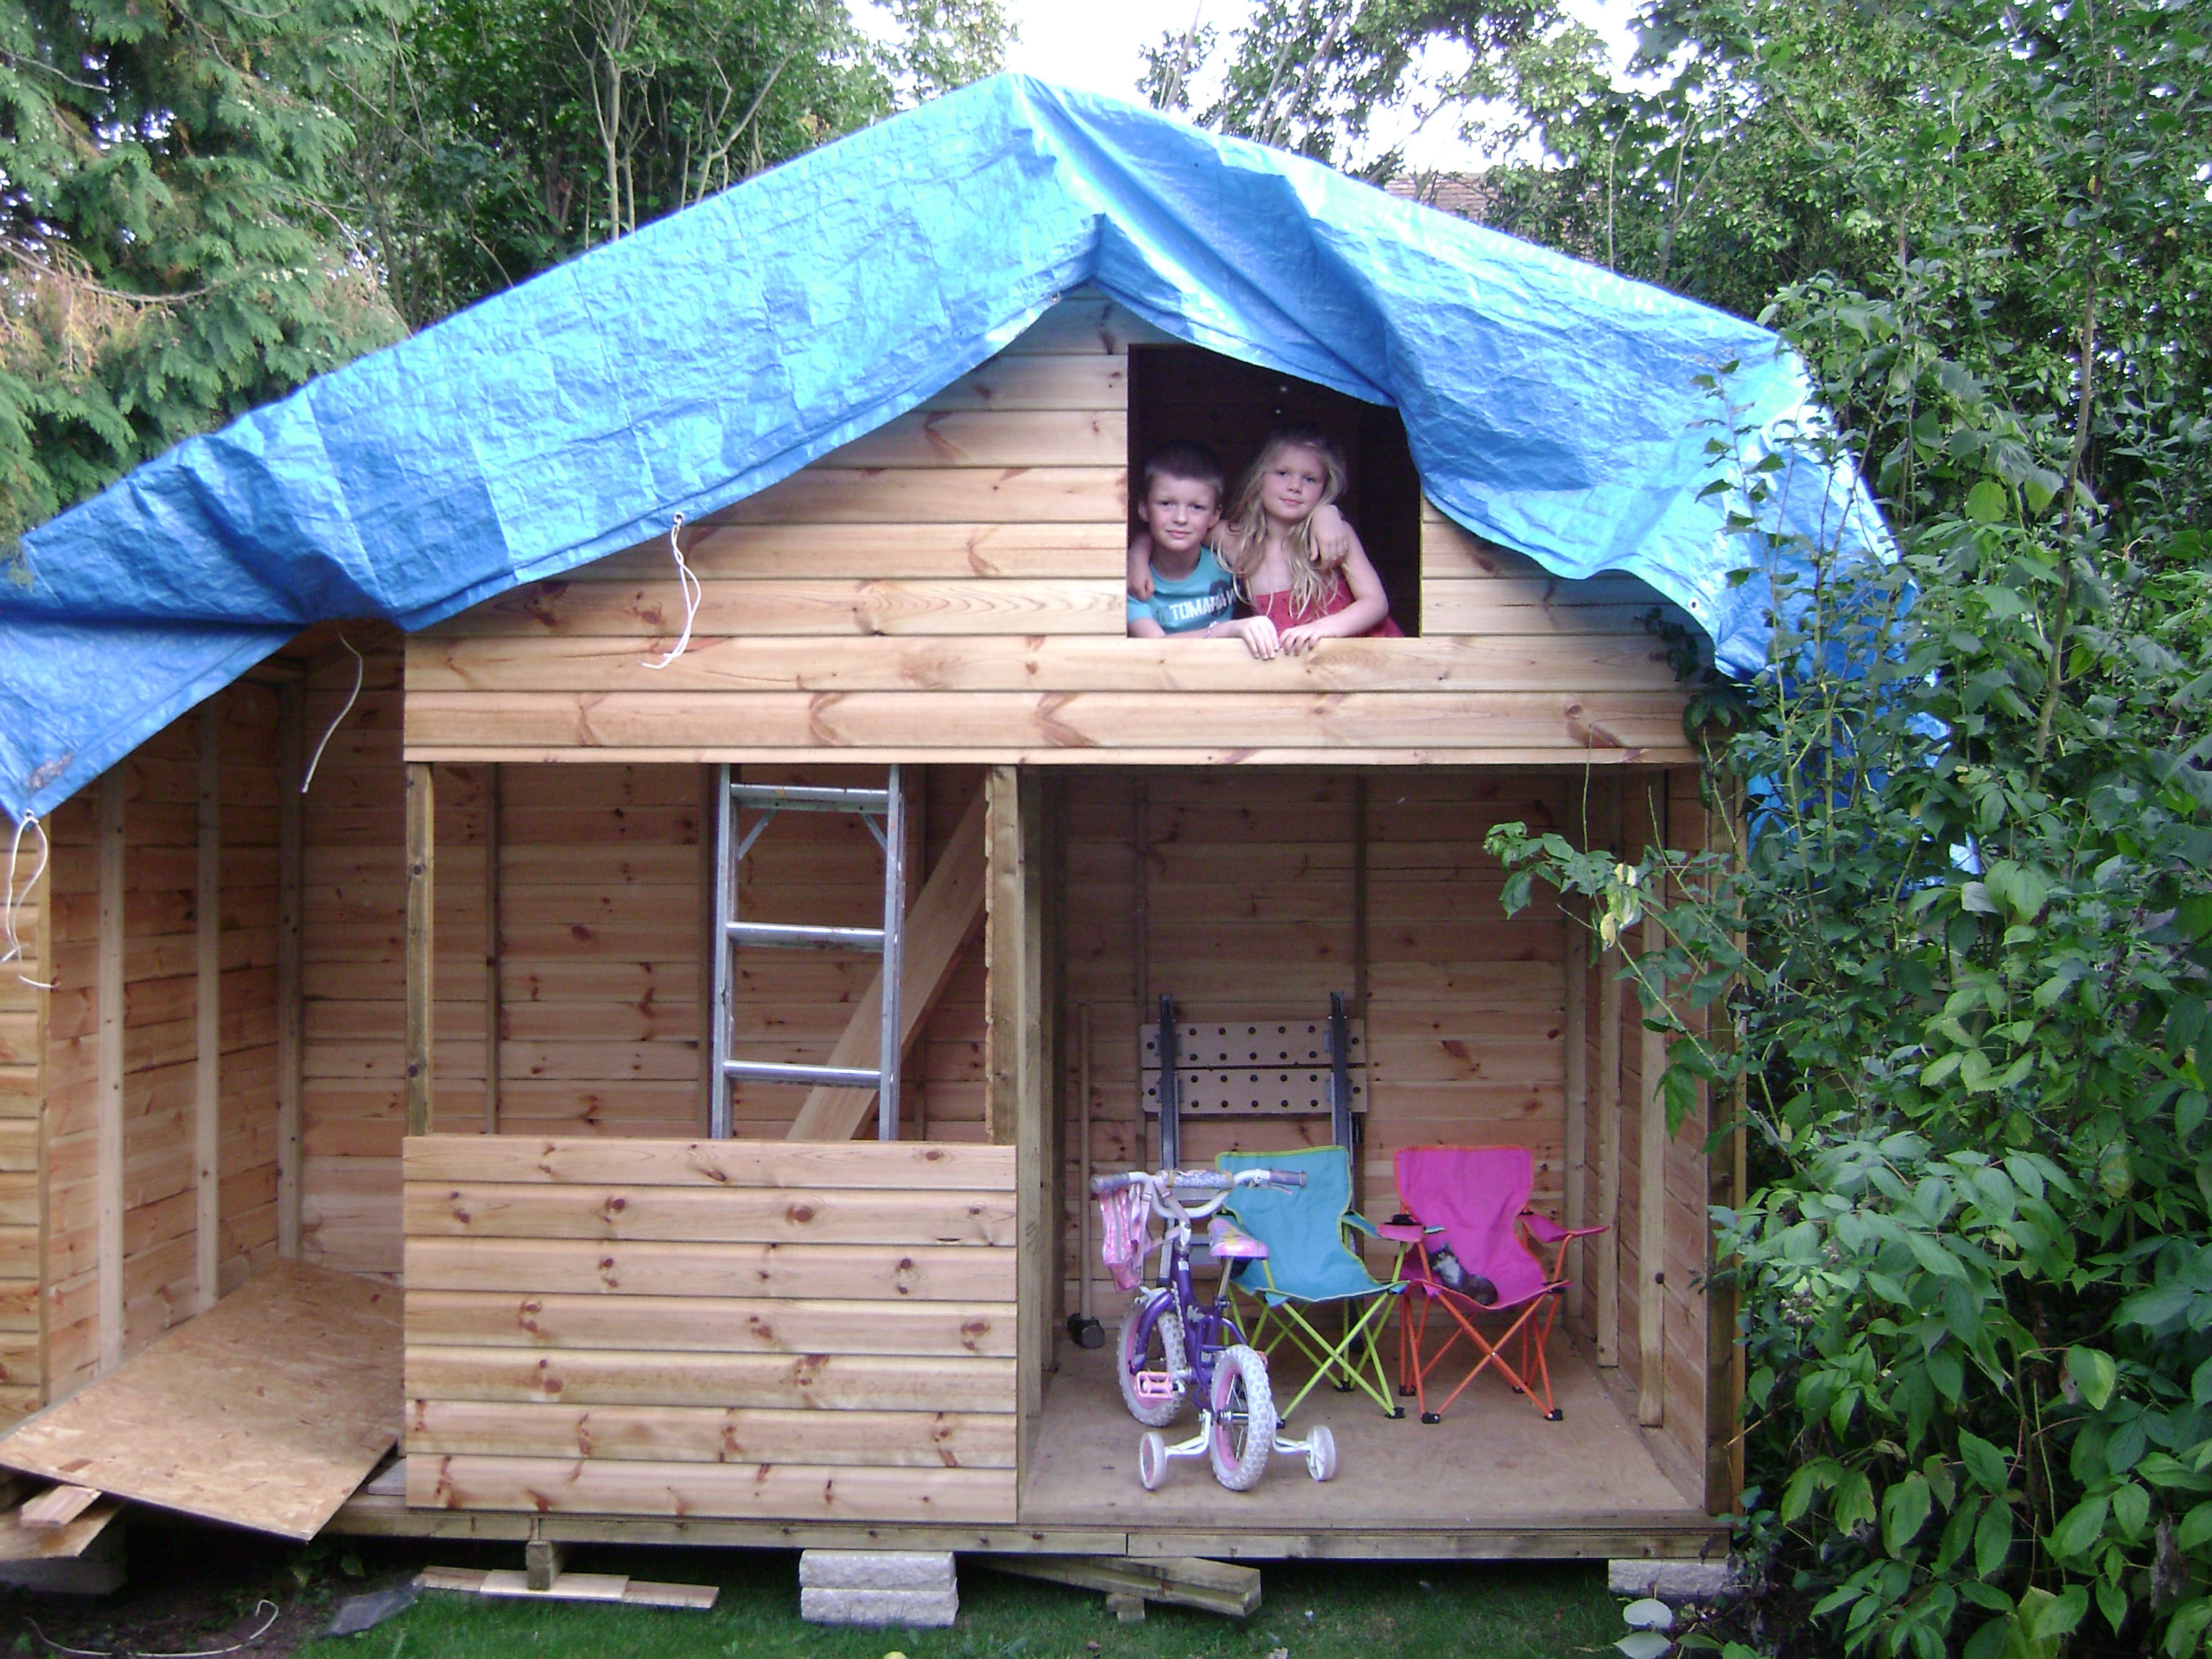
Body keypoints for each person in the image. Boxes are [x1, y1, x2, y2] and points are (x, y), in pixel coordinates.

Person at [1213, 425, 1399, 657]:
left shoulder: (1336, 534)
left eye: (1310, 479)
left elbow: (1375, 602)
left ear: (1325, 488)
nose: (1295, 487)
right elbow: (1177, 528)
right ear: (1259, 477)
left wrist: (1324, 629)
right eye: (1282, 473)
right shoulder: (1236, 541)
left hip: (1363, 658)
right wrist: (1150, 550)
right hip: (1297, 672)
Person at [1123, 441, 1275, 650]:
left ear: (1215, 515)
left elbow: (1281, 545)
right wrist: (1225, 630)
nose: (1181, 518)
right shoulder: (1133, 581)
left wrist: (1325, 513)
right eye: (1167, 504)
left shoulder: (1225, 559)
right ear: (1144, 508)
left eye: (1197, 507)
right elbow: (1156, 648)